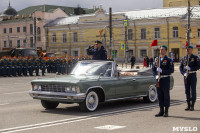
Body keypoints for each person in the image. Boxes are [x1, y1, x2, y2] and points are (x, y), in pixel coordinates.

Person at [152, 45, 174, 117]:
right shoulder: (156, 59)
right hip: (158, 79)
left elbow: (171, 70)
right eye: (160, 49)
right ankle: (161, 110)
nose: (161, 51)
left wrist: (162, 71)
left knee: (166, 95)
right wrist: (155, 75)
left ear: (166, 51)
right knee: (160, 95)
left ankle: (166, 111)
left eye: (163, 49)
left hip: (165, 79)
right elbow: (153, 69)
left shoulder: (168, 60)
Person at [179, 46, 200, 111]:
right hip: (186, 76)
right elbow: (181, 67)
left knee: (193, 90)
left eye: (189, 49)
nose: (188, 50)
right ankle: (188, 104)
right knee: (187, 90)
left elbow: (198, 66)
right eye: (187, 49)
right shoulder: (184, 58)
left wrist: (191, 68)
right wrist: (183, 73)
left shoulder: (195, 57)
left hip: (192, 75)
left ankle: (192, 105)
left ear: (192, 50)